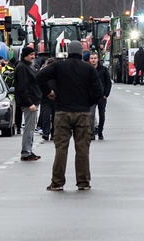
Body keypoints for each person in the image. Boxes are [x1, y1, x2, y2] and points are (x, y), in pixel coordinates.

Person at [36, 41, 103, 191]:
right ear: (81, 52)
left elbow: (40, 76)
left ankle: (57, 182)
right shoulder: (89, 69)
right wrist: (87, 102)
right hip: (83, 113)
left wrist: (48, 92)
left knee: (61, 148)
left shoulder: (59, 66)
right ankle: (83, 182)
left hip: (62, 111)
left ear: (67, 51)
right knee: (82, 149)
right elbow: (98, 92)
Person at [15, 46, 42, 161]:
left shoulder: (26, 66)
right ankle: (26, 152)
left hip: (32, 101)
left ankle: (28, 150)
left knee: (31, 127)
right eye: (31, 55)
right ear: (25, 55)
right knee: (29, 128)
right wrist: (29, 103)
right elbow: (23, 88)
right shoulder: (22, 68)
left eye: (33, 54)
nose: (33, 57)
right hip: (29, 103)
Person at [89, 50, 112, 140]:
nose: (93, 60)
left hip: (102, 96)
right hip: (91, 96)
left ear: (98, 59)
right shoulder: (88, 69)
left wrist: (106, 94)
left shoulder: (103, 70)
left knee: (101, 115)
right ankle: (91, 132)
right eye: (92, 58)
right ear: (90, 59)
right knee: (91, 115)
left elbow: (108, 83)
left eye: (95, 58)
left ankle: (100, 132)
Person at [37, 57, 57, 141]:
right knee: (46, 115)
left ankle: (54, 133)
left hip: (56, 98)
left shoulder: (58, 74)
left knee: (55, 117)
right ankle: (46, 132)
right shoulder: (43, 73)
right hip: (45, 97)